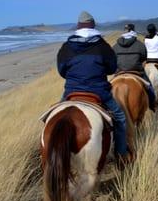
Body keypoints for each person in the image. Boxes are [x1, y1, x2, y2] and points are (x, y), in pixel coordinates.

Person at [56, 11, 131, 165]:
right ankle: (121, 154)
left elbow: (61, 71)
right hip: (99, 92)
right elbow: (111, 68)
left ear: (78, 26)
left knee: (53, 117)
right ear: (93, 26)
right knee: (120, 118)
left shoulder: (66, 46)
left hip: (71, 91)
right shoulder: (103, 46)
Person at [113, 24, 158, 111]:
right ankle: (153, 104)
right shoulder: (140, 44)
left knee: (108, 88)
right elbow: (144, 58)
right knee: (149, 87)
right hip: (136, 71)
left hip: (120, 71)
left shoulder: (115, 46)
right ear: (133, 31)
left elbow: (113, 59)